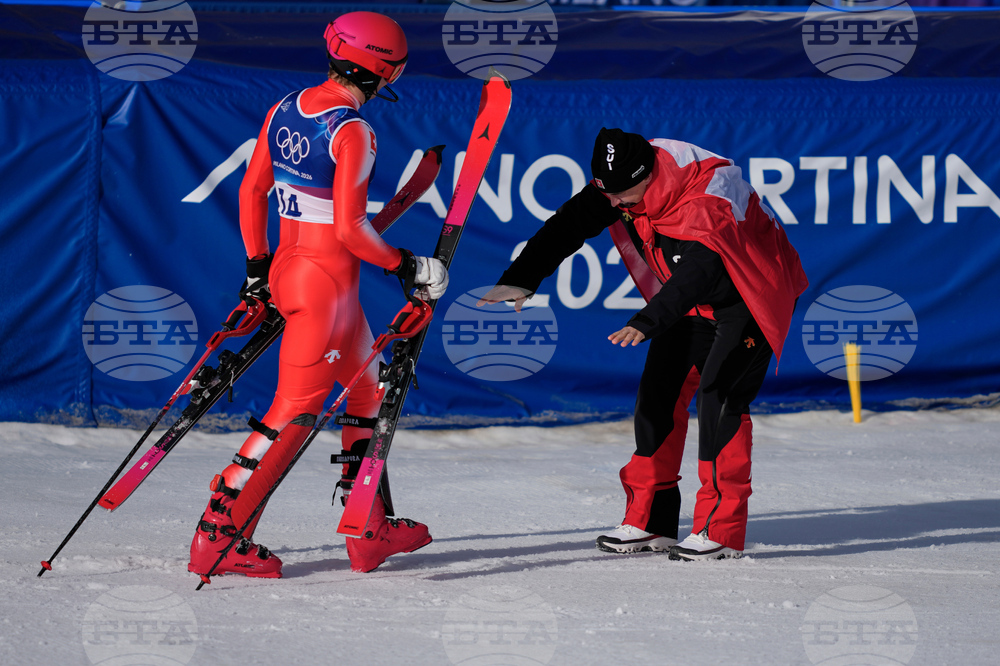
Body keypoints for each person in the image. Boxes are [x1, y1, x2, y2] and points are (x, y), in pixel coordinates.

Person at [188, 12, 448, 579]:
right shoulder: (353, 130)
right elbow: (353, 230)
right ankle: (218, 533)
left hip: (298, 273)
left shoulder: (285, 105)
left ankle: (368, 529)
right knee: (293, 412)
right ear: (385, 70)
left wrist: (257, 268)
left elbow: (253, 188)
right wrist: (407, 265)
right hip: (326, 287)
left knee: (367, 397)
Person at [479, 128, 807, 561]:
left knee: (719, 401)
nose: (614, 205)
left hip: (747, 296)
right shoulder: (621, 181)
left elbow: (700, 273)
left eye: (622, 196)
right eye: (608, 194)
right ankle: (652, 521)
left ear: (649, 177)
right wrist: (521, 278)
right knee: (657, 397)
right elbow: (571, 223)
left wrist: (648, 320)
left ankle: (720, 529)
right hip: (690, 302)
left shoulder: (708, 199)